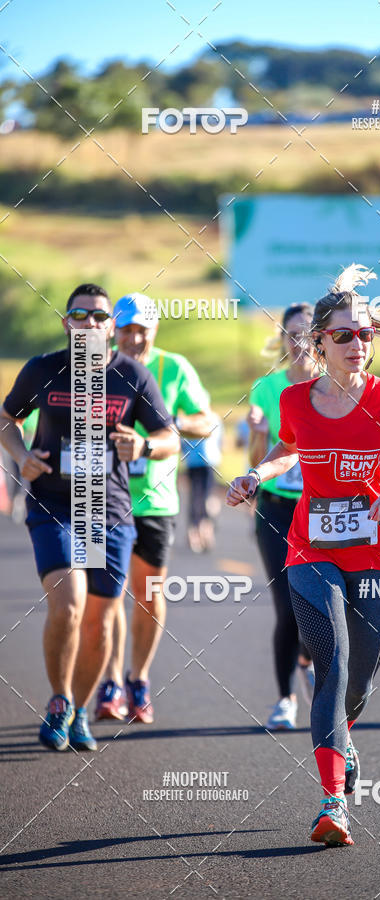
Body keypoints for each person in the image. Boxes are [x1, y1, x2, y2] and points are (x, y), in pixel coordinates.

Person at [226, 264, 380, 847]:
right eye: (345, 334)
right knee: (332, 662)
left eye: (366, 334)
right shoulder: (297, 399)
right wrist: (256, 472)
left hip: (374, 555)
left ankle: (344, 738)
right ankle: (332, 805)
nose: (358, 344)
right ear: (320, 342)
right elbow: (285, 449)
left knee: (360, 684)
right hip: (310, 549)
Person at [0, 284, 179, 751]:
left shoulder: (132, 375)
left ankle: (80, 710)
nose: (90, 324)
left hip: (108, 511)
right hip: (56, 503)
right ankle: (59, 700)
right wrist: (21, 457)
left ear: (109, 327)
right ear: (66, 323)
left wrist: (144, 446)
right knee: (70, 601)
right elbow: (6, 418)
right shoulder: (43, 369)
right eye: (79, 315)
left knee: (99, 621)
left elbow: (170, 437)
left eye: (99, 317)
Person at [95, 293, 215, 723]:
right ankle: (109, 683)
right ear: (113, 330)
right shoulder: (96, 366)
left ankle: (138, 679)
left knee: (148, 594)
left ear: (155, 330)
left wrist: (167, 421)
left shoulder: (173, 367)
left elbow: (206, 419)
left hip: (154, 499)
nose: (135, 337)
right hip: (102, 496)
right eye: (126, 328)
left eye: (143, 329)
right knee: (104, 595)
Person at [247, 303, 318, 730]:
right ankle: (286, 698)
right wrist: (257, 434)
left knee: (317, 605)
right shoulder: (266, 389)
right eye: (292, 334)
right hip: (275, 510)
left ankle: (308, 657)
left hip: (319, 510)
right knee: (287, 608)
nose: (300, 343)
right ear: (282, 339)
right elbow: (255, 463)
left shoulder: (333, 388)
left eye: (308, 333)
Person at [186, 417, 223, 553]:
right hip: (206, 463)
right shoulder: (215, 418)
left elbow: (183, 443)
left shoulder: (189, 419)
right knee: (204, 498)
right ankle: (201, 532)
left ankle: (199, 532)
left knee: (198, 498)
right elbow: (220, 442)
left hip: (198, 462)